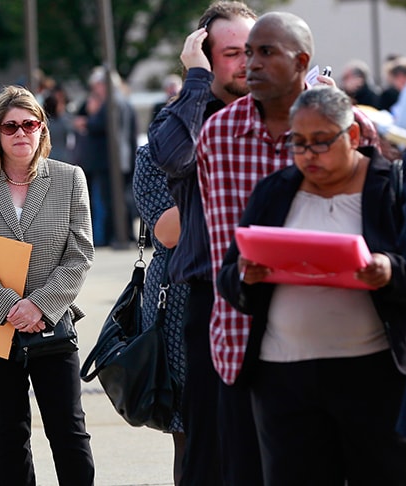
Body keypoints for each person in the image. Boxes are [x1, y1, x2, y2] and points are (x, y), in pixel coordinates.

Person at [196, 11, 379, 483]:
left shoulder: (351, 127)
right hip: (243, 341)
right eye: (245, 53)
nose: (250, 65)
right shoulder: (217, 135)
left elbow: (384, 227)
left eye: (265, 52)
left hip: (353, 346)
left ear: (302, 62)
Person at [217, 85, 406, 484]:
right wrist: (246, 275)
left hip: (375, 376)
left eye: (321, 142)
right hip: (284, 380)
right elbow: (229, 277)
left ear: (354, 137)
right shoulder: (274, 191)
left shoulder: (388, 186)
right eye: (298, 143)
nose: (309, 155)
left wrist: (388, 270)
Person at [0, 85, 95, 485]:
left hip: (52, 324)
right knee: (9, 435)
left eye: (29, 124)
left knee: (69, 431)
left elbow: (79, 254)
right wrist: (11, 307)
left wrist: (39, 307)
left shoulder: (69, 179)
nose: (20, 133)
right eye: (10, 126)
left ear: (42, 129)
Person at [146, 2, 257, 483]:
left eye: (255, 51)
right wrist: (196, 83)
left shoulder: (280, 115)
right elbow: (172, 156)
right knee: (201, 445)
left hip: (275, 298)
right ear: (205, 56)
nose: (248, 63)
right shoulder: (181, 117)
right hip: (200, 298)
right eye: (233, 53)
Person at [131, 144, 189, 484]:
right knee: (188, 431)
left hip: (242, 289)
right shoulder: (154, 154)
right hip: (177, 296)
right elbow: (167, 233)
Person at [73, 66, 137, 245]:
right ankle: (123, 235)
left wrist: (86, 121)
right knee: (120, 200)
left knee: (113, 201)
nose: (95, 90)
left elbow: (101, 125)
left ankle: (118, 236)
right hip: (119, 158)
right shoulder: (122, 100)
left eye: (96, 85)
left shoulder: (111, 102)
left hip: (110, 160)